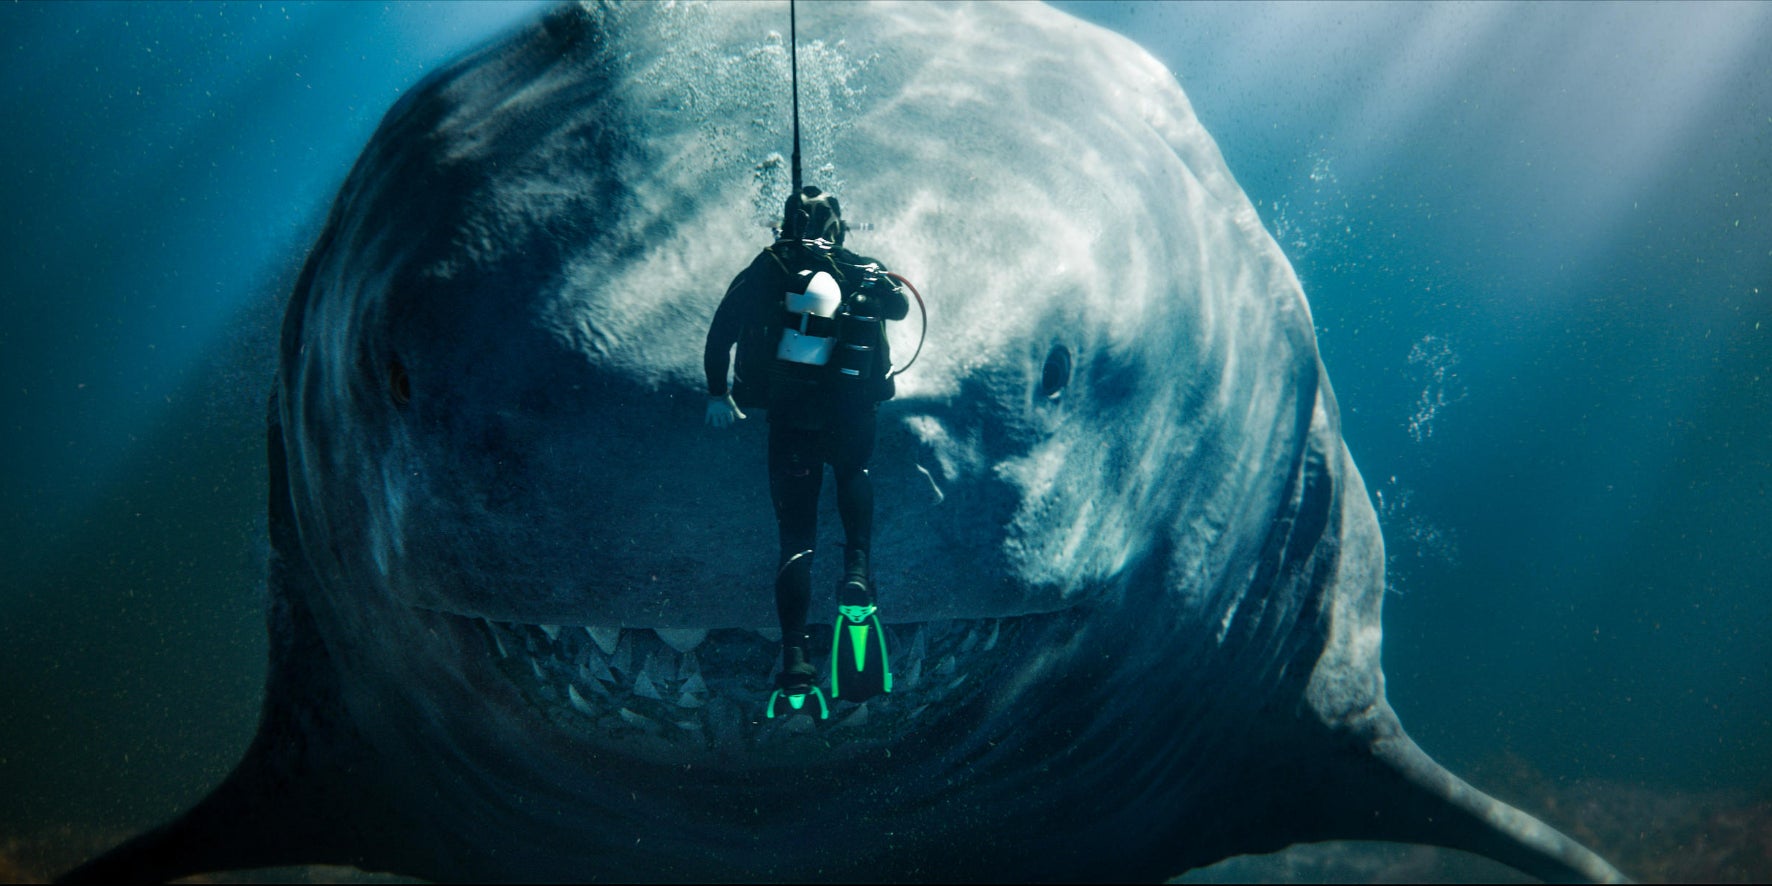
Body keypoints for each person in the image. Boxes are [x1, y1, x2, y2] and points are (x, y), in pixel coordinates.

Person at [703, 186, 909, 711]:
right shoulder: (862, 265)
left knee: (795, 536)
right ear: (840, 225)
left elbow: (721, 332)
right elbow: (903, 308)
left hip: (792, 416)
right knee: (854, 473)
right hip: (853, 411)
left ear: (783, 225)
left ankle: (795, 658)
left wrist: (718, 392)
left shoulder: (768, 268)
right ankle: (857, 573)